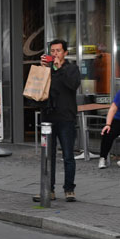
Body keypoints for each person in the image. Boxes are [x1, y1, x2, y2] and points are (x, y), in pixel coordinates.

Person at [33, 38, 81, 203]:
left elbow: (73, 85)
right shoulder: (46, 70)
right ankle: (48, 189)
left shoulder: (72, 69)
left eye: (58, 51)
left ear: (65, 53)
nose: (55, 54)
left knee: (68, 155)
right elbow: (36, 88)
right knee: (48, 156)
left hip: (66, 117)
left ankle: (69, 189)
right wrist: (42, 69)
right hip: (48, 117)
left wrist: (59, 67)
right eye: (52, 51)